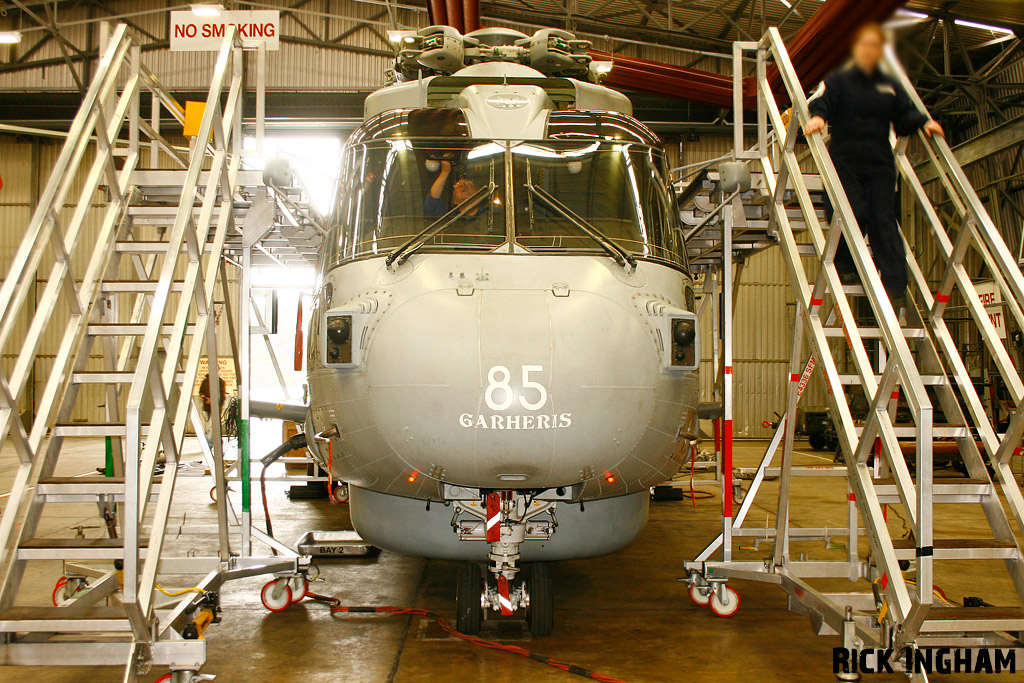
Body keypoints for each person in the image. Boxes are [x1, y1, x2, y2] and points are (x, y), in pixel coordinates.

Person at [804, 22, 944, 308]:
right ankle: (845, 262)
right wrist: (818, 117)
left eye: (875, 46)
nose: (870, 51)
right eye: (865, 45)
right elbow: (823, 100)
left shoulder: (889, 83)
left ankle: (895, 285)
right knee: (852, 211)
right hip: (846, 158)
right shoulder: (840, 78)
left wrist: (924, 122)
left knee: (883, 219)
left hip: (879, 161)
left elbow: (905, 114)